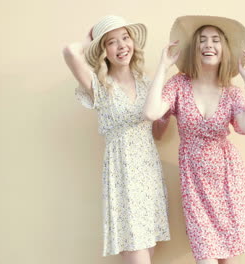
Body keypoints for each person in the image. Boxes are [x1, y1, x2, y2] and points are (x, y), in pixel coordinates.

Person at [144, 15, 245, 264]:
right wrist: (162, 68)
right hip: (195, 185)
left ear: (223, 49)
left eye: (215, 40)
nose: (209, 44)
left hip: (228, 182)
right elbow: (152, 112)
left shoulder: (231, 92)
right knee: (206, 259)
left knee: (225, 259)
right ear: (196, 49)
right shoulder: (179, 84)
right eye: (203, 40)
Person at [62, 15, 170, 264]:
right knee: (138, 255)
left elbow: (158, 134)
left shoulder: (147, 85)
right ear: (103, 50)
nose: (122, 46)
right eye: (112, 42)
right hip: (122, 176)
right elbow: (69, 51)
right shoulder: (99, 85)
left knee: (147, 253)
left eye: (125, 38)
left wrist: (164, 115)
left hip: (149, 175)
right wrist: (90, 41)